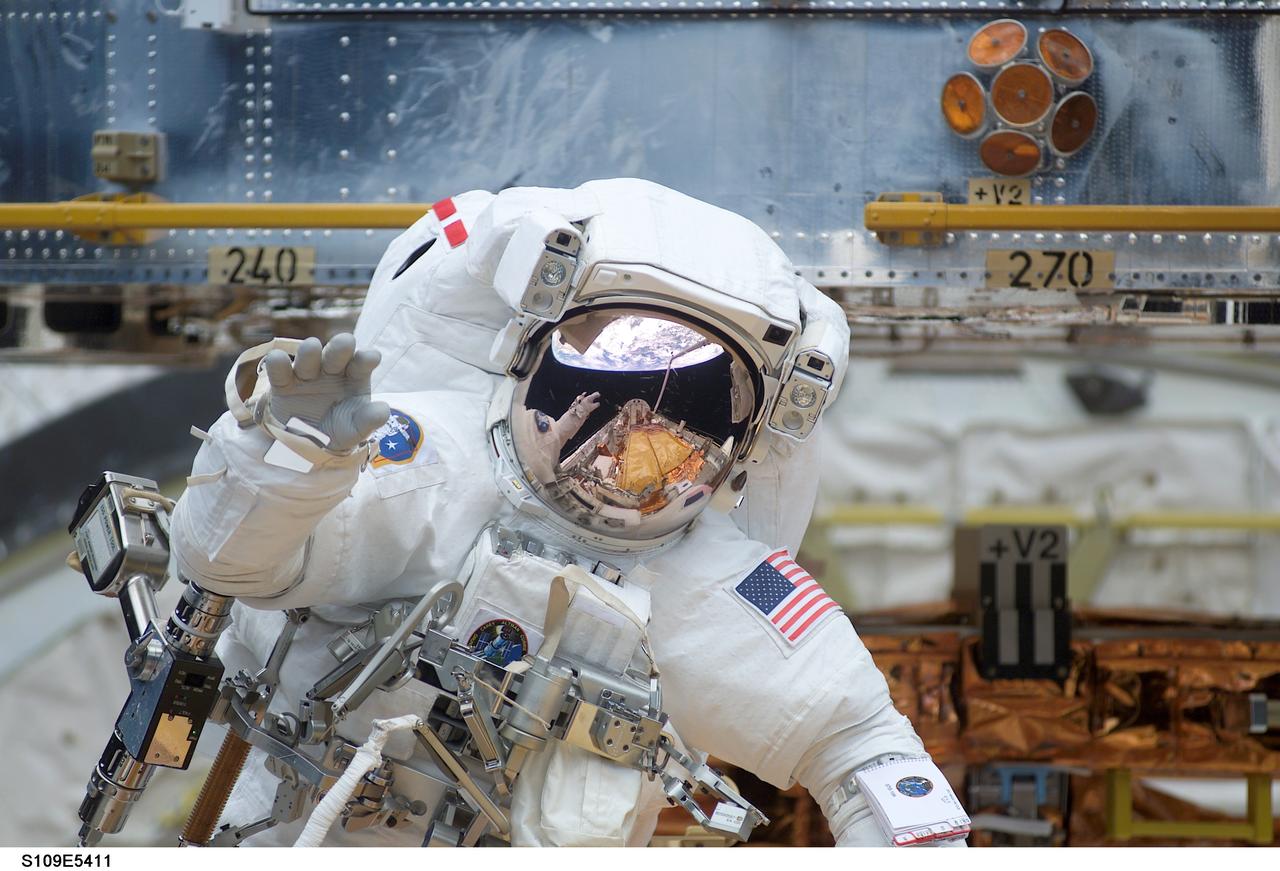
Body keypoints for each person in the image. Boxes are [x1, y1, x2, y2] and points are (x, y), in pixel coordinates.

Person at [170, 178, 956, 846]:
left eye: (681, 420)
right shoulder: (425, 467)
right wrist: (286, 460)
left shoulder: (722, 586)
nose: (632, 441)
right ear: (527, 357)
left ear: (741, 441)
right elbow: (229, 561)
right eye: (609, 396)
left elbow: (862, 747)